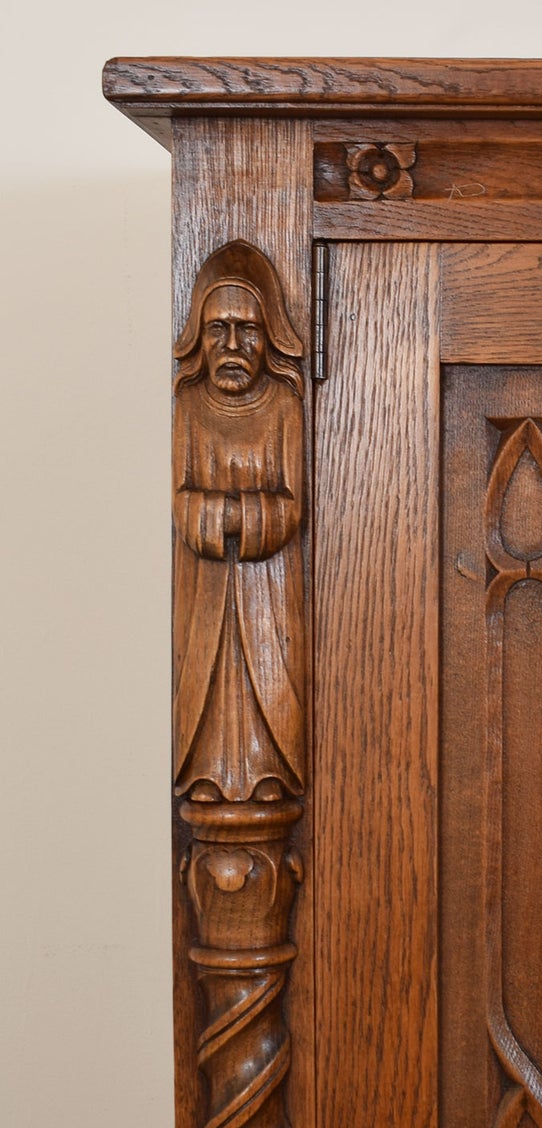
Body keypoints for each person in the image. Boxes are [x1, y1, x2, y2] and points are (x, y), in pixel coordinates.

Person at [171, 241, 307, 803]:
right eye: (219, 328)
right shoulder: (190, 408)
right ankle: (206, 775)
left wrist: (236, 515)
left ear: (270, 334)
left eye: (249, 330)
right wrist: (220, 513)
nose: (232, 346)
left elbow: (291, 505)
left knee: (267, 672)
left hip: (268, 596)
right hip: (204, 593)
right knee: (206, 672)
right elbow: (182, 502)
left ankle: (269, 772)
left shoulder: (282, 407)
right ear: (199, 337)